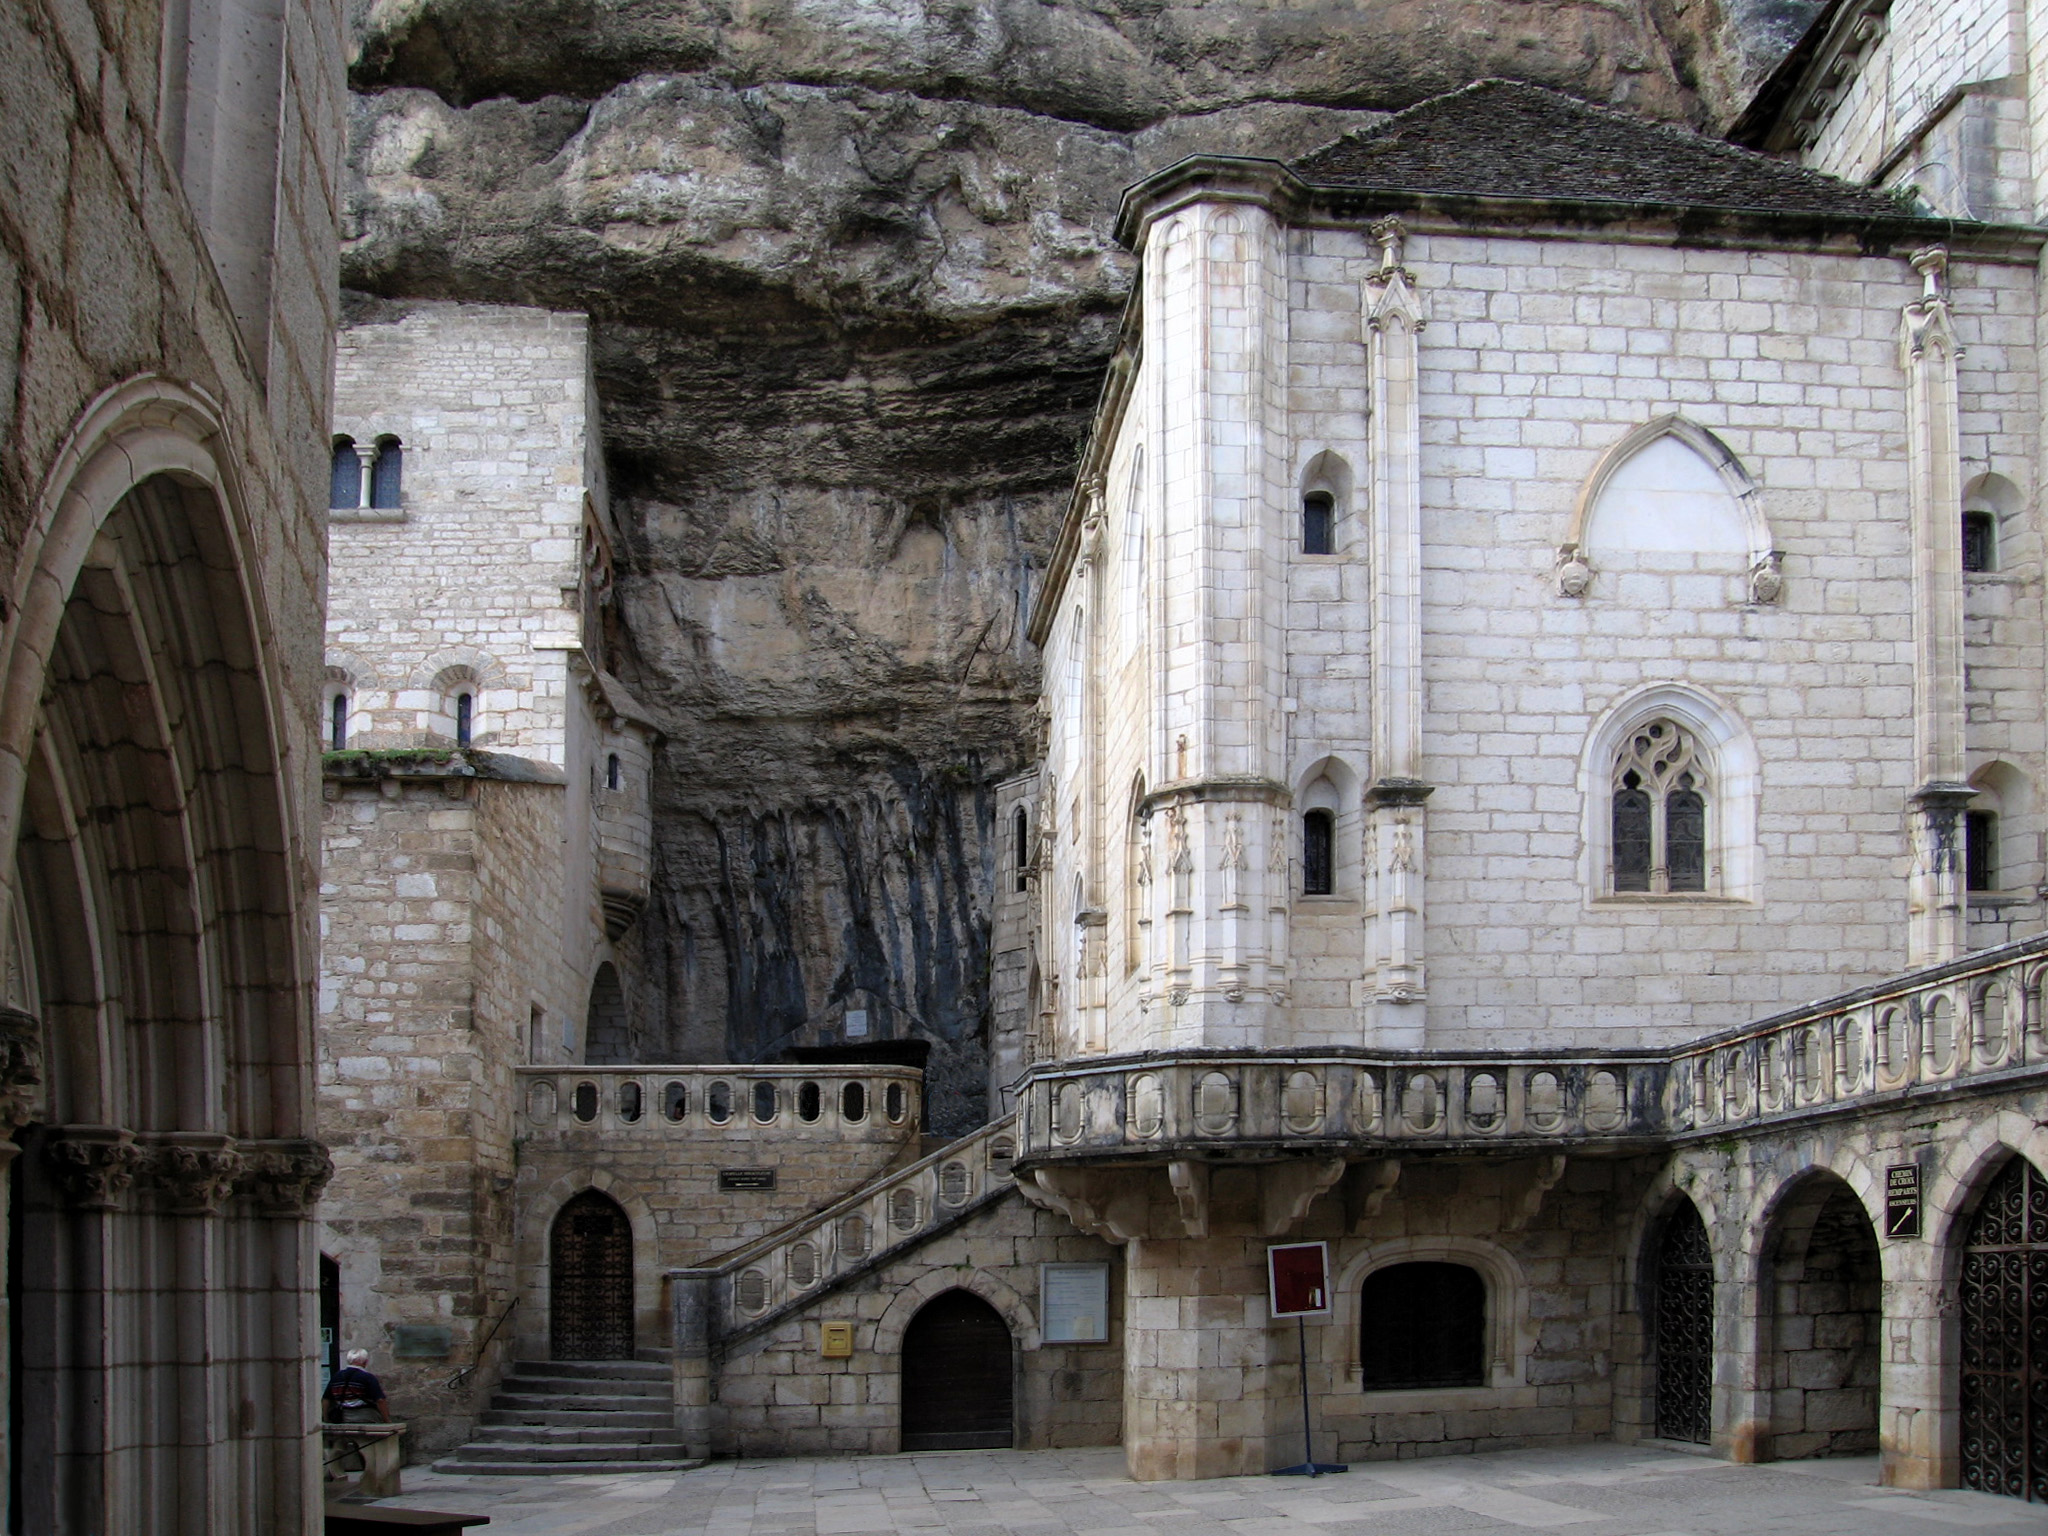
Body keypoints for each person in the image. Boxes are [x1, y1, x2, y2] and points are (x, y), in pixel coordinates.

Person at [322, 1348, 392, 1474]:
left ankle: (338, 1471)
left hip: (342, 1416)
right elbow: (380, 1400)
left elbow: (326, 1399)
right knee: (375, 1441)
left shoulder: (337, 1376)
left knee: (347, 1443)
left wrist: (326, 1418)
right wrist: (387, 1420)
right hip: (364, 1416)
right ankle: (375, 1469)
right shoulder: (367, 1377)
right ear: (365, 1362)